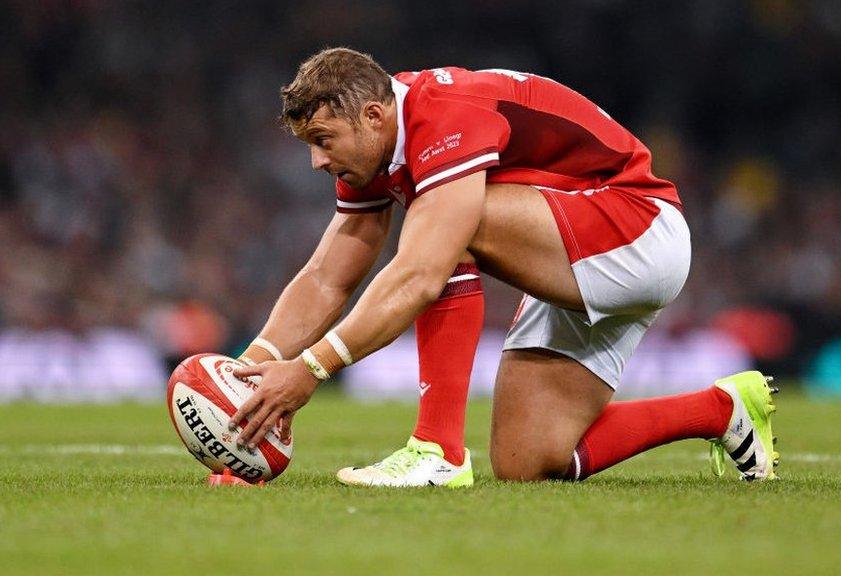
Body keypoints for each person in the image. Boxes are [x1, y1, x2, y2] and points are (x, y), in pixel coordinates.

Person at [228, 48, 779, 486]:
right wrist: (246, 377)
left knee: (443, 232)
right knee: (528, 460)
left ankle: (436, 451)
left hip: (637, 228)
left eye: (323, 141)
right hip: (575, 245)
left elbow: (421, 275)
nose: (317, 161)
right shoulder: (374, 148)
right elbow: (329, 276)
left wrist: (310, 370)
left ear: (373, 115)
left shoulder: (444, 114)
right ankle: (722, 409)